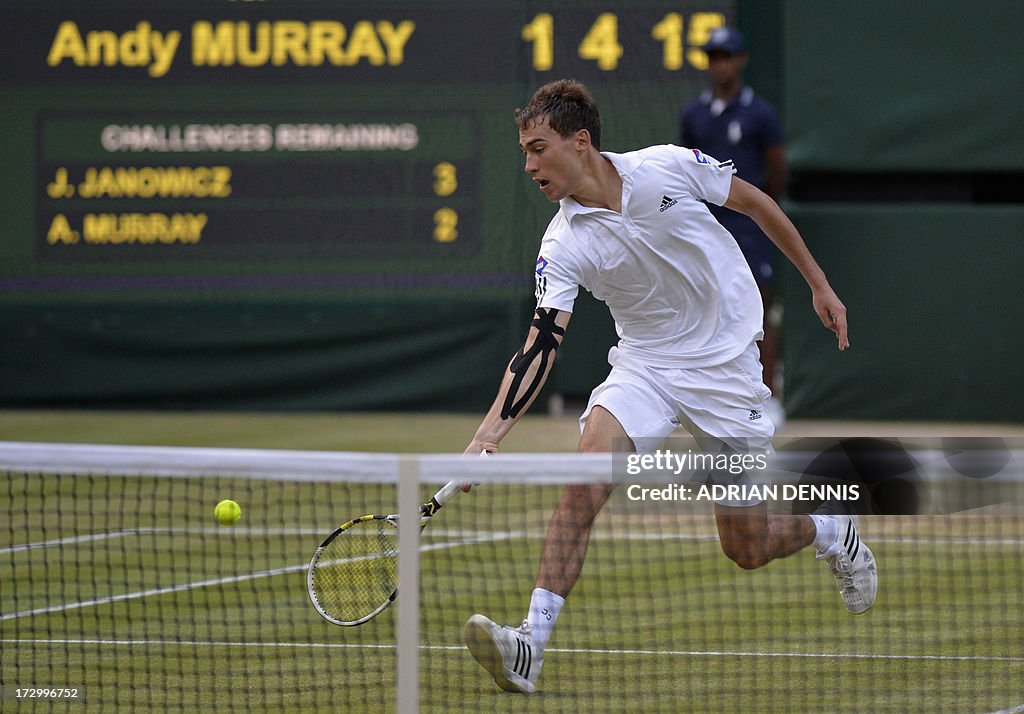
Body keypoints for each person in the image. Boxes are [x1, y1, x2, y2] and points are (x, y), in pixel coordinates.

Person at [461, 79, 876, 695]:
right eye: (524, 150)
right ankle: (530, 643)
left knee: (747, 546)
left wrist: (818, 284)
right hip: (645, 367)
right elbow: (541, 344)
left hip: (726, 368)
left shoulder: (667, 168)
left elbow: (758, 204)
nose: (529, 165)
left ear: (580, 143)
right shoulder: (562, 244)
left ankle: (827, 528)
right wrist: (488, 436)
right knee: (586, 480)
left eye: (538, 148)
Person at [679, 27, 786, 412]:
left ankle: (767, 397)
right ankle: (704, 398)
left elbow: (777, 171)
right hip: (705, 224)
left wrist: (757, 209)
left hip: (749, 225)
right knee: (703, 306)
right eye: (712, 57)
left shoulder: (761, 114)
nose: (719, 65)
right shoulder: (694, 113)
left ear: (740, 60)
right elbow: (685, 168)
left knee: (759, 306)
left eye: (725, 56)